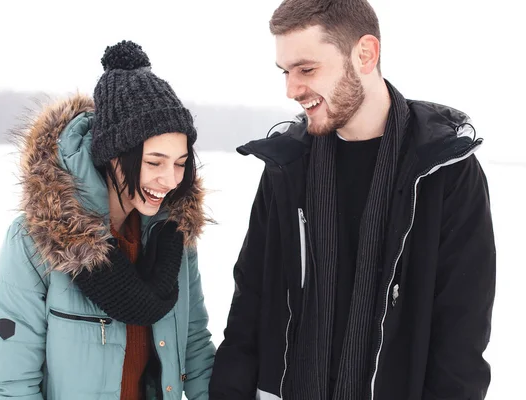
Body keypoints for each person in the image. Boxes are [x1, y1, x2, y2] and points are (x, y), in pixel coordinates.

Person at [209, 1, 496, 399]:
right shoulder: (287, 166)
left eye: (306, 69)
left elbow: (461, 339)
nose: (292, 89)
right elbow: (249, 305)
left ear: (365, 54)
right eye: (286, 72)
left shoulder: (444, 171)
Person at [0, 40, 215, 400]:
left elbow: (196, 345)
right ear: (113, 156)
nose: (169, 180)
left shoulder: (172, 238)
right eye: (154, 162)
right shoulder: (36, 243)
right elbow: (12, 384)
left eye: (180, 163)